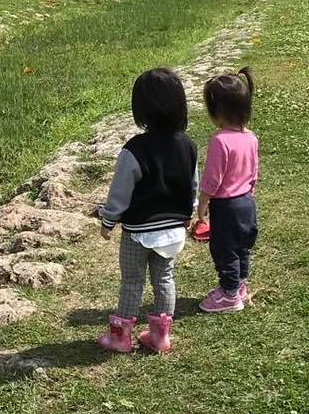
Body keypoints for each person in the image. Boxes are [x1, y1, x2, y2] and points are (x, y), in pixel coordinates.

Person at [97, 68, 197, 354]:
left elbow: (120, 192)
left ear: (140, 109)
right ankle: (160, 336)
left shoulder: (134, 150)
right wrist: (187, 213)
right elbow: (191, 184)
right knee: (164, 278)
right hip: (172, 230)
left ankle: (121, 337)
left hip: (138, 233)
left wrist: (108, 220)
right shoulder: (188, 145)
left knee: (132, 281)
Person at [197, 68, 259, 314]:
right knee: (242, 247)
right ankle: (240, 285)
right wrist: (249, 191)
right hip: (246, 202)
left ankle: (229, 294)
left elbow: (212, 178)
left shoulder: (220, 140)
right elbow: (254, 171)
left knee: (225, 250)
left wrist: (203, 203)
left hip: (226, 205)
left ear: (216, 112)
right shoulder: (250, 137)